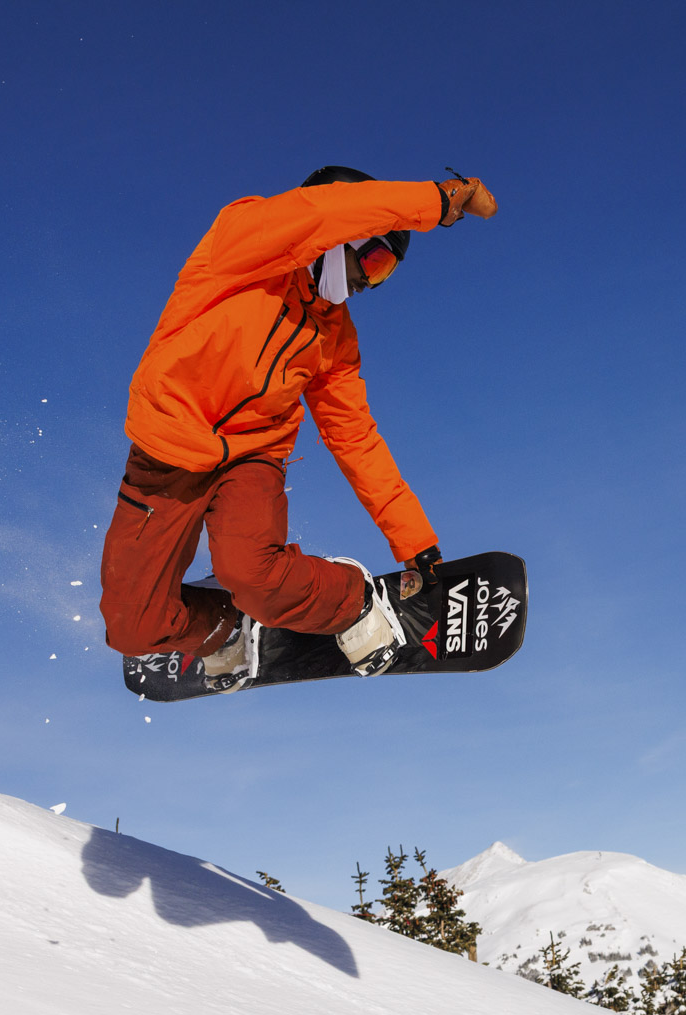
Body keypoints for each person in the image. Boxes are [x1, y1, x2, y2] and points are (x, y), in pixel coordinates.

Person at [98, 166, 497, 690]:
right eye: (374, 261)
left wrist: (413, 540)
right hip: (166, 452)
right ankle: (225, 631)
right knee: (133, 626)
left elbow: (353, 434)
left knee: (253, 575)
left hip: (253, 458)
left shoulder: (334, 333)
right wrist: (439, 201)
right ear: (342, 239)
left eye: (385, 276)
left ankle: (351, 600)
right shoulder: (242, 245)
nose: (369, 283)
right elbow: (318, 213)